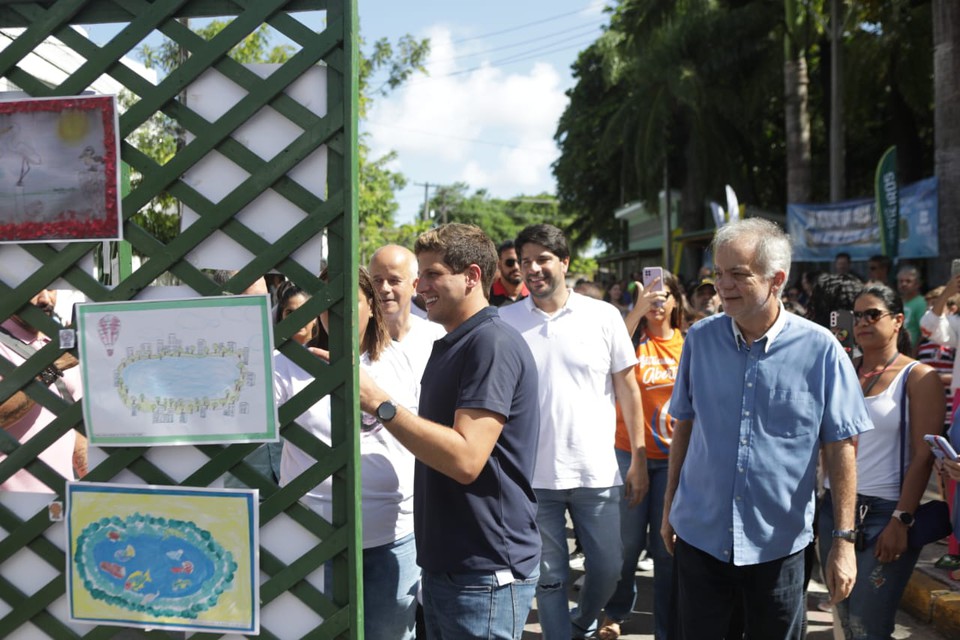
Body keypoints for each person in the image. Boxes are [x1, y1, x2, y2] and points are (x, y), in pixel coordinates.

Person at [661, 218, 872, 639]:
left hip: (778, 547)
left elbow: (841, 446)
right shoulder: (699, 340)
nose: (723, 285)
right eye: (719, 273)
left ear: (777, 279)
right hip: (700, 539)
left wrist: (843, 540)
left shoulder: (821, 350)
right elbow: (684, 426)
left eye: (738, 274)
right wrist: (669, 507)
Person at [358, 223, 541, 640]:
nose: (420, 285)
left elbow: (464, 460)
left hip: (483, 573)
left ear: (472, 277)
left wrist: (379, 404)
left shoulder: (489, 345)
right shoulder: (454, 342)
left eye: (433, 273)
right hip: (451, 568)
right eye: (420, 274)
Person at [499, 223, 647, 640]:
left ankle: (580, 622)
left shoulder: (603, 317)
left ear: (564, 262)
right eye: (525, 262)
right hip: (530, 478)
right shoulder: (504, 322)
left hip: (595, 473)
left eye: (542, 259)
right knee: (549, 576)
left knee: (609, 567)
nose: (533, 269)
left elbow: (628, 389)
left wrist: (637, 456)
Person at [276, 268, 420, 640]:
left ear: (371, 306)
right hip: (309, 536)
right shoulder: (288, 364)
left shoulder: (400, 360)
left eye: (349, 301)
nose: (336, 312)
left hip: (390, 538)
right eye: (327, 303)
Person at [818, 284, 945, 640]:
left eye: (873, 314)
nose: (862, 322)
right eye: (857, 315)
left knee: (868, 625)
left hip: (886, 511)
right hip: (836, 510)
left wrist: (901, 519)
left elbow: (924, 455)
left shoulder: (919, 377)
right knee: (843, 615)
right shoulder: (841, 371)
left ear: (898, 320)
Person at [599, 270, 685, 640]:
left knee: (666, 550)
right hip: (629, 454)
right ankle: (615, 613)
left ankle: (666, 629)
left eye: (664, 295)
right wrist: (636, 310)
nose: (658, 302)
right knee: (628, 545)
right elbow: (613, 343)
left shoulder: (690, 342)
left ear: (678, 301)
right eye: (651, 295)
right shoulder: (633, 340)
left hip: (673, 459)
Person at [0, 288, 85, 491]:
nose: (45, 299)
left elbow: (71, 424)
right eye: (35, 291)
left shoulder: (56, 341)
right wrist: (52, 367)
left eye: (52, 289)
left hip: (60, 496)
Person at [369, 244, 446, 388]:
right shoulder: (357, 340)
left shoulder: (437, 338)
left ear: (415, 285)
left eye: (394, 280)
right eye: (377, 280)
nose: (384, 289)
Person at [488, 240, 529, 307]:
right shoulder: (486, 297)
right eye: (510, 262)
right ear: (499, 265)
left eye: (520, 261)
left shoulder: (536, 296)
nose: (516, 267)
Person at [897, 265, 926, 353]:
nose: (904, 284)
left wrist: (915, 351)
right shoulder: (897, 301)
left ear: (918, 284)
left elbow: (924, 332)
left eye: (908, 281)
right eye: (901, 281)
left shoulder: (921, 303)